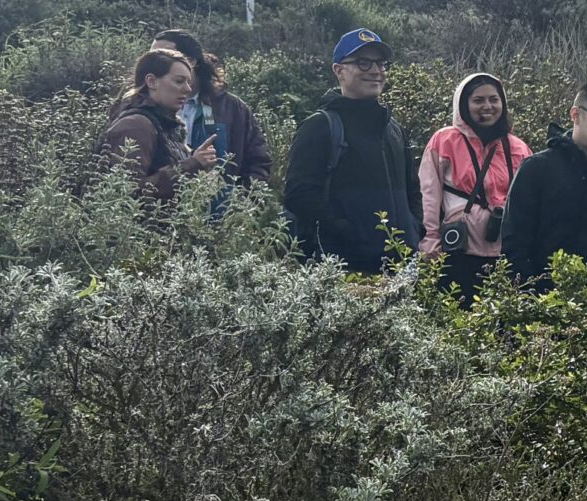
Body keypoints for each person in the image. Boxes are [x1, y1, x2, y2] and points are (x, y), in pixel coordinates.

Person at [281, 28, 423, 274]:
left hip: (401, 267)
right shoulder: (320, 126)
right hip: (344, 269)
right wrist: (347, 231)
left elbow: (413, 188)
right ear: (339, 70)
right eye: (363, 63)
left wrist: (414, 227)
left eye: (380, 63)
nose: (376, 71)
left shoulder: (394, 128)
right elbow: (298, 194)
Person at [500, 80, 587, 295]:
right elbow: (515, 245)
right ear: (575, 114)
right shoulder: (536, 170)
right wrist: (530, 302)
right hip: (537, 314)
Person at [417, 73, 533, 303]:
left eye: (494, 99)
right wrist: (430, 240)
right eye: (478, 100)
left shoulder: (518, 148)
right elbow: (428, 194)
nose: (487, 106)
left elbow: (530, 202)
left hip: (504, 253)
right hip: (457, 252)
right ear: (464, 104)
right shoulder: (444, 140)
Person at [139, 29, 272, 186]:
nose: (153, 64)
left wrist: (241, 201)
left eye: (163, 56)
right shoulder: (140, 112)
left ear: (191, 60)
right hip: (163, 207)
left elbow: (258, 160)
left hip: (220, 208)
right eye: (151, 57)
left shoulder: (231, 108)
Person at [99, 49, 219, 202]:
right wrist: (192, 165)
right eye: (179, 81)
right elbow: (126, 193)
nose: (188, 89)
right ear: (151, 81)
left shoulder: (165, 125)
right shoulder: (136, 125)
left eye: (189, 83)